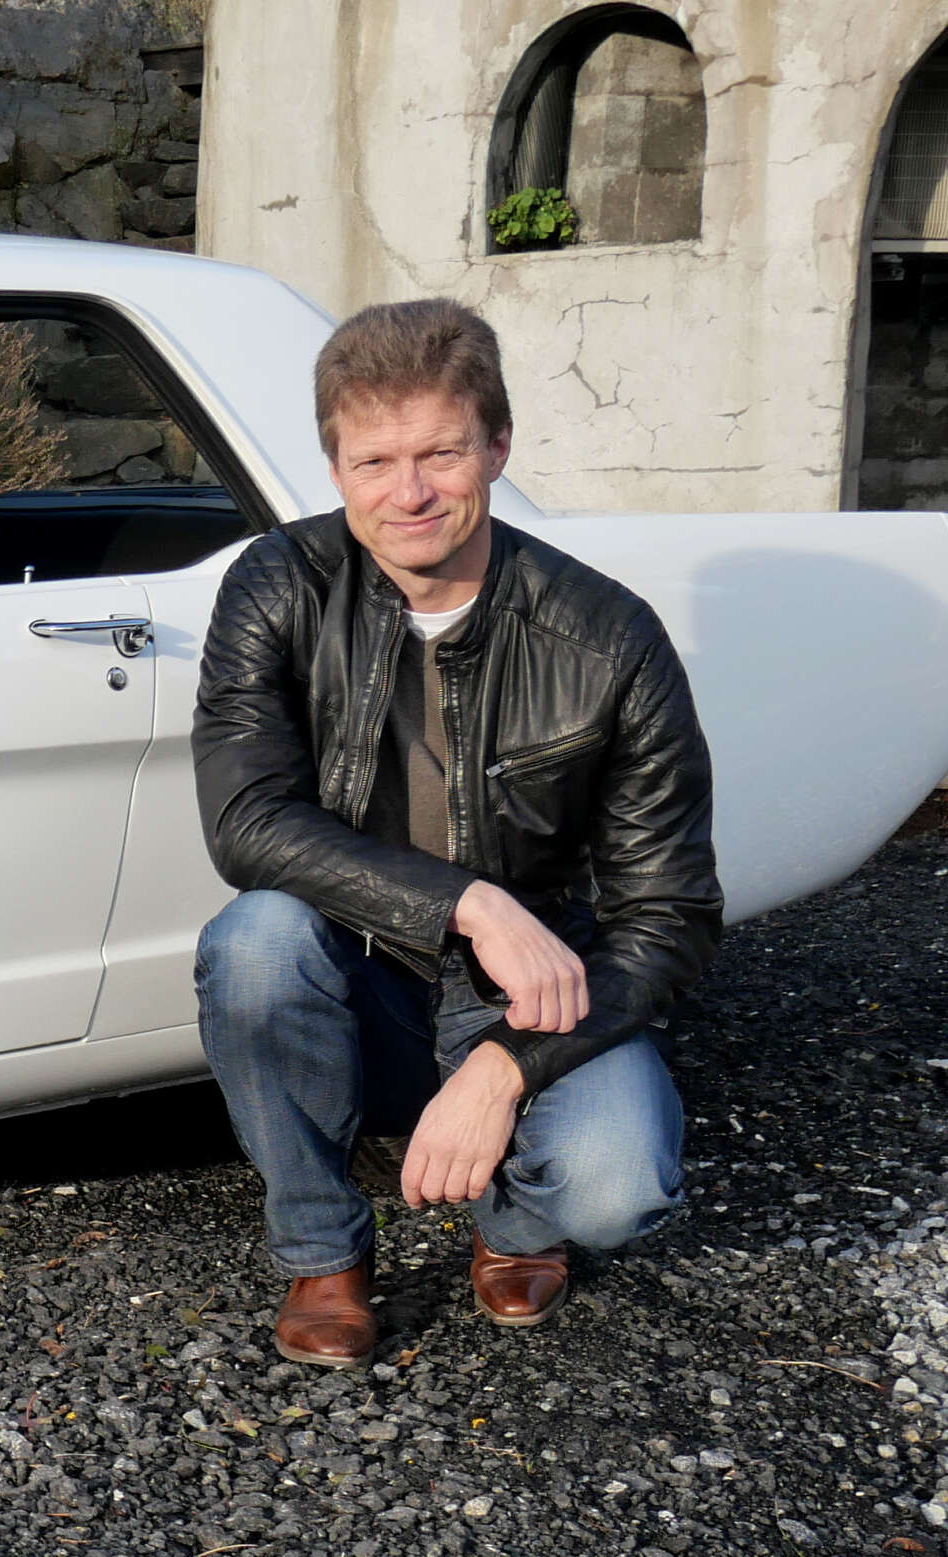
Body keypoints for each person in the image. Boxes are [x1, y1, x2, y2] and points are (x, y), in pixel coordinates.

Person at [190, 298, 717, 1368]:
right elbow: (246, 823)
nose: (410, 491)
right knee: (254, 944)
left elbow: (670, 916)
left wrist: (504, 1068)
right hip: (358, 966)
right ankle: (322, 1252)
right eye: (375, 461)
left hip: (531, 989)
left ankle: (516, 1224)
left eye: (441, 452)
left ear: (497, 447)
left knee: (616, 1189)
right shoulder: (278, 586)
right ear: (336, 468)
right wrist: (470, 903)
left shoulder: (607, 635)